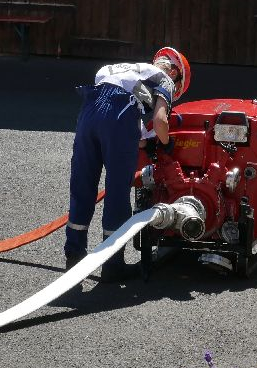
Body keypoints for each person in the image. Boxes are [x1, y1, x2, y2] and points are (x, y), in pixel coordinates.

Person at [64, 47, 192, 281]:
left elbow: (117, 114)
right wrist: (166, 144)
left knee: (83, 186)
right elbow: (159, 121)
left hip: (88, 113)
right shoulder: (163, 78)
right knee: (117, 193)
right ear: (175, 73)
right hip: (119, 117)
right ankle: (113, 265)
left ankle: (74, 254)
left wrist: (141, 141)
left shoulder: (124, 69)